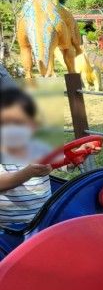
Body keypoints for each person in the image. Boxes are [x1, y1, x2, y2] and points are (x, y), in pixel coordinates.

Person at [0, 88, 53, 226]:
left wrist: (78, 153)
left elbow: (61, 160)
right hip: (10, 228)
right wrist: (27, 173)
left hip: (46, 219)